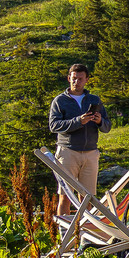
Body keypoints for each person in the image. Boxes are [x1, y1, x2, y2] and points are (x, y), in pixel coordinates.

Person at [47, 64, 105, 195]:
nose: (76, 82)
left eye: (80, 79)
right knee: (66, 195)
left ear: (86, 80)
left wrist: (100, 121)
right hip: (68, 152)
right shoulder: (59, 101)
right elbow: (54, 126)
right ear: (68, 78)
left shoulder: (94, 100)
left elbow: (107, 126)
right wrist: (78, 121)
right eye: (74, 78)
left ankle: (85, 217)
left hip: (91, 153)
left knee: (88, 197)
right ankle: (63, 216)